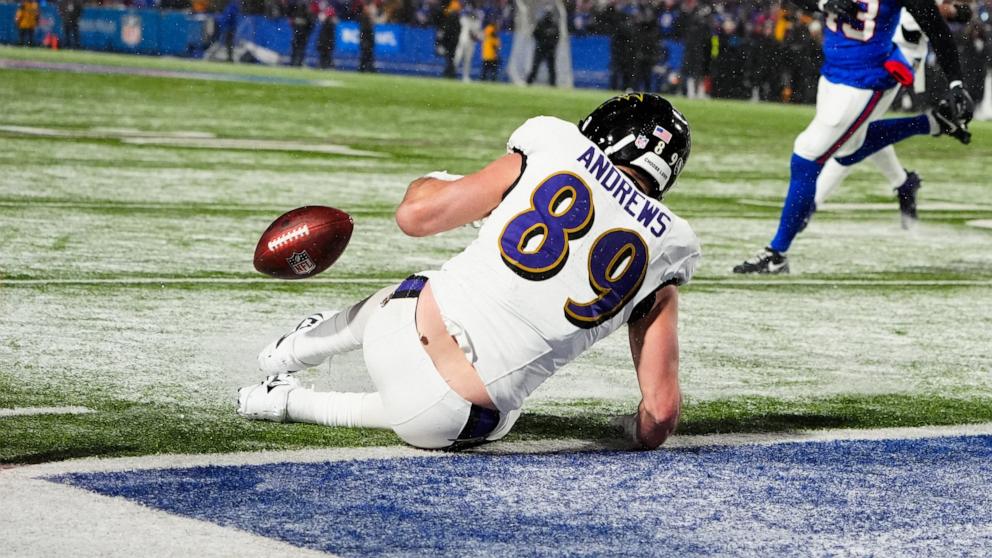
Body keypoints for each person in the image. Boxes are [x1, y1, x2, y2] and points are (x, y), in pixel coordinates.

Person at [237, 93, 700, 451]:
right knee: (459, 412)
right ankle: (283, 403)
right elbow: (660, 414)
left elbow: (414, 218)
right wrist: (632, 429)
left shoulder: (553, 145)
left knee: (416, 290)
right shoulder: (670, 251)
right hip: (453, 423)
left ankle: (289, 351)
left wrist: (439, 181)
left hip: (403, 330)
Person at [732, 0, 974, 274]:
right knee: (849, 149)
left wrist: (956, 82)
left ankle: (777, 253)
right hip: (834, 71)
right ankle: (933, 123)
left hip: (866, 79)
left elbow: (936, 27)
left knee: (807, 154)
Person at [814, 2, 975, 230]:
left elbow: (962, 12)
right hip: (869, 49)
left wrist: (945, 10)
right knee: (857, 128)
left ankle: (809, 206)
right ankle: (903, 181)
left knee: (849, 136)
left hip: (896, 56)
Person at [526, 10, 559, 85]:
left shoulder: (554, 25)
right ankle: (529, 82)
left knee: (551, 68)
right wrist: (542, 42)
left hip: (549, 49)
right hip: (541, 48)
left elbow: (557, 38)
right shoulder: (541, 24)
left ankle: (553, 84)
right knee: (535, 67)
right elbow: (534, 34)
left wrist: (552, 45)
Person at [316, 0, 338, 69]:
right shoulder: (327, 19)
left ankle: (325, 65)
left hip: (326, 38)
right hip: (326, 38)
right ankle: (324, 65)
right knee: (325, 53)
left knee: (326, 53)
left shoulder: (329, 19)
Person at [358, 0, 377, 72]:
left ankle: (365, 68)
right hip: (366, 40)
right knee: (366, 55)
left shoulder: (367, 18)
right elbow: (364, 31)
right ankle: (365, 68)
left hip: (367, 40)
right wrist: (364, 41)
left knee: (367, 55)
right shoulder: (364, 18)